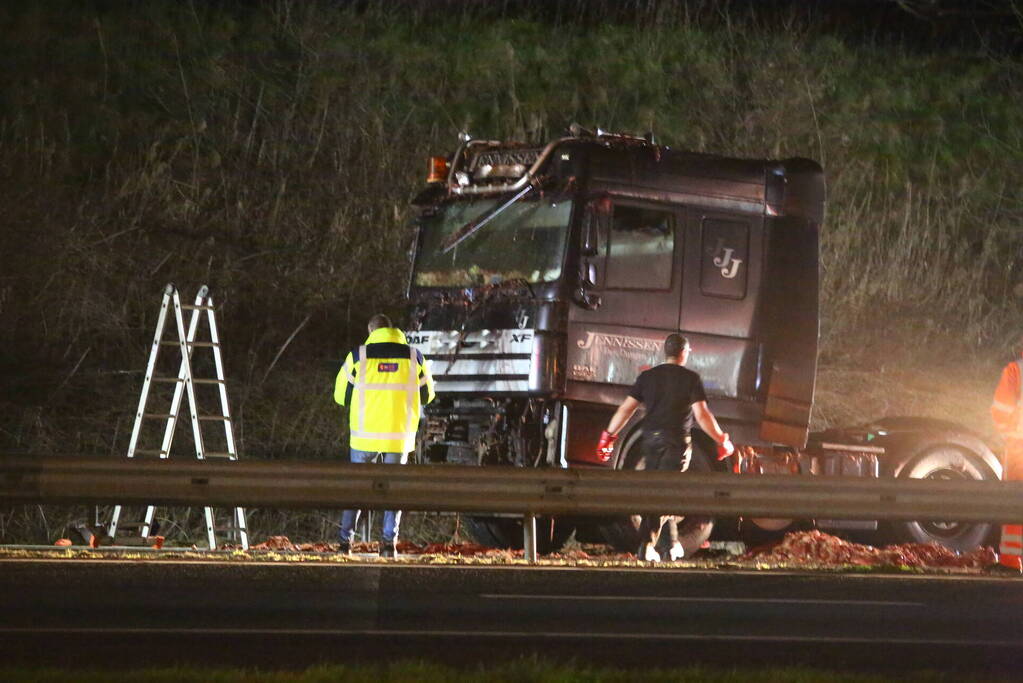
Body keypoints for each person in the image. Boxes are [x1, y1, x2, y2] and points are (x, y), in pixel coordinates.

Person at [597, 333, 734, 562]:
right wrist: (722, 439)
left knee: (659, 491)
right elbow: (702, 415)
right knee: (667, 494)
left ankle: (670, 545)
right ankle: (646, 544)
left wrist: (609, 435)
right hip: (676, 443)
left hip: (651, 442)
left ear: (666, 352)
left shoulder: (647, 377)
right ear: (684, 353)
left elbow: (626, 409)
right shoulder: (690, 379)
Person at [334, 313, 435, 557]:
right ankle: (389, 542)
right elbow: (428, 396)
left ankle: (345, 541)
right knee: (393, 490)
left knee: (356, 490)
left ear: (371, 332)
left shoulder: (358, 356)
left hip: (364, 436)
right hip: (398, 436)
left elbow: (340, 396)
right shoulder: (414, 357)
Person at [991, 343, 1023, 571]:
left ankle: (1012, 561)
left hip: (1020, 449)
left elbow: (1000, 410)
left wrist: (1008, 437)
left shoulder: (1016, 370)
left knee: (1014, 504)